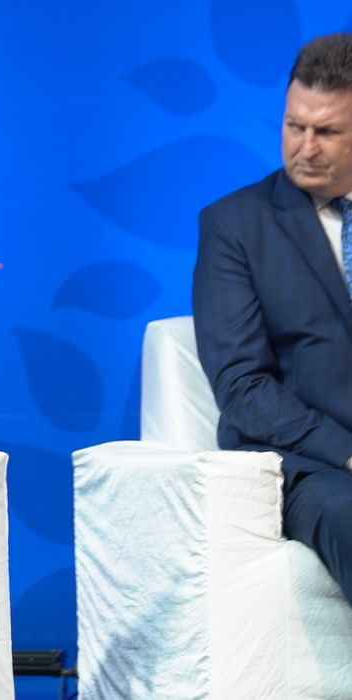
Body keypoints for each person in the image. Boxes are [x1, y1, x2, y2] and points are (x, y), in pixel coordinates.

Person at [194, 33, 352, 606]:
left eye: (326, 132)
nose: (305, 147)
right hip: (307, 464)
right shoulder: (235, 225)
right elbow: (241, 384)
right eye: (294, 126)